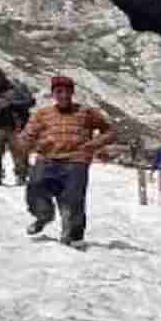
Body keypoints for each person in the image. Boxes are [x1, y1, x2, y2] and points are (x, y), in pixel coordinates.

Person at [20, 76, 115, 245]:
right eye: (59, 92)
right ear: (53, 94)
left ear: (72, 93)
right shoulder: (42, 114)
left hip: (76, 159)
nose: (63, 95)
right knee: (35, 187)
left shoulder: (86, 112)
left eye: (67, 91)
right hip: (47, 158)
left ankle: (73, 235)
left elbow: (109, 131)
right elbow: (27, 136)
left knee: (73, 197)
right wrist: (30, 146)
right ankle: (44, 215)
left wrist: (93, 145)